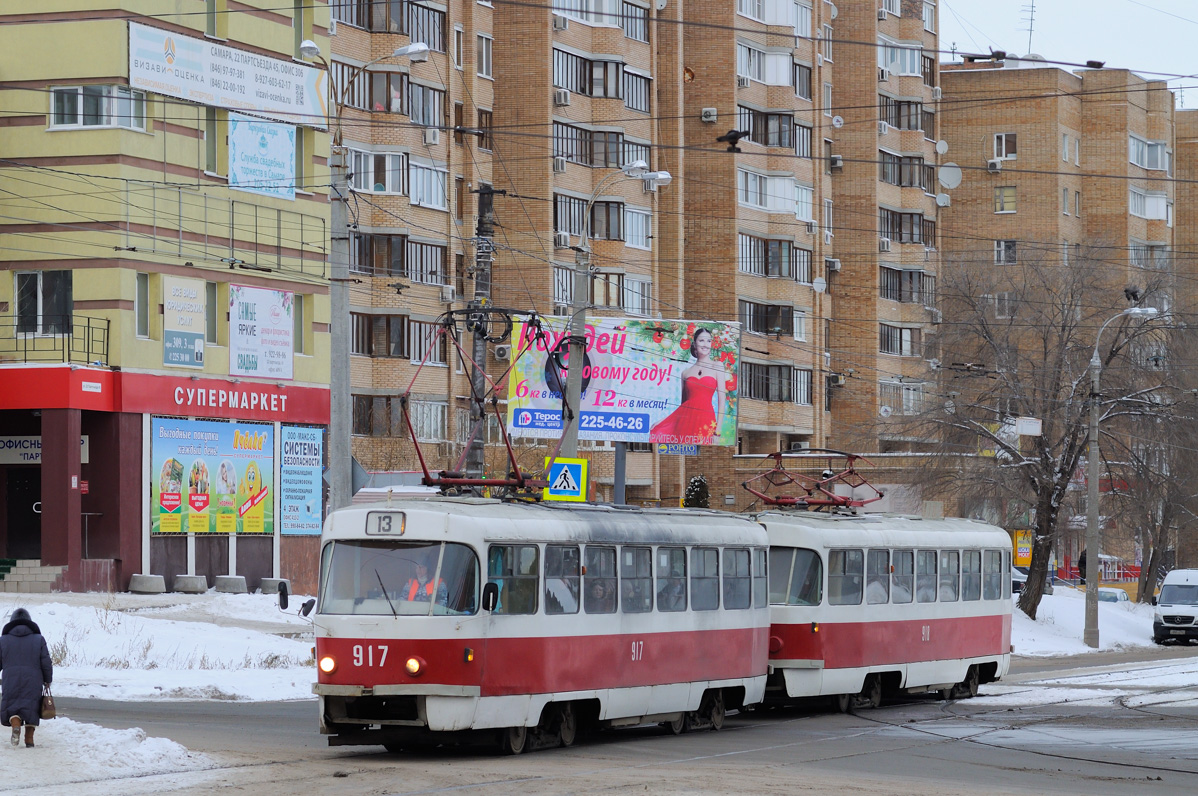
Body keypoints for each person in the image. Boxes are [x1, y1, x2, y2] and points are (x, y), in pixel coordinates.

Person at [650, 328, 727, 445]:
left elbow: (722, 399)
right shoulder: (685, 373)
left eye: (708, 341)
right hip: (686, 421)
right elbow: (683, 406)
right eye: (701, 340)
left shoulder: (717, 366)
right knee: (685, 454)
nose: (705, 344)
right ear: (695, 344)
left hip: (706, 420)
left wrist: (718, 431)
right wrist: (663, 421)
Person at [0, 607, 53, 748]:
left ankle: (15, 724)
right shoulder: (38, 639)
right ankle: (29, 740)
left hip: (10, 679)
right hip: (33, 680)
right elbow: (46, 662)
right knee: (32, 708)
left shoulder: (3, 640)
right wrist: (48, 679)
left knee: (12, 706)